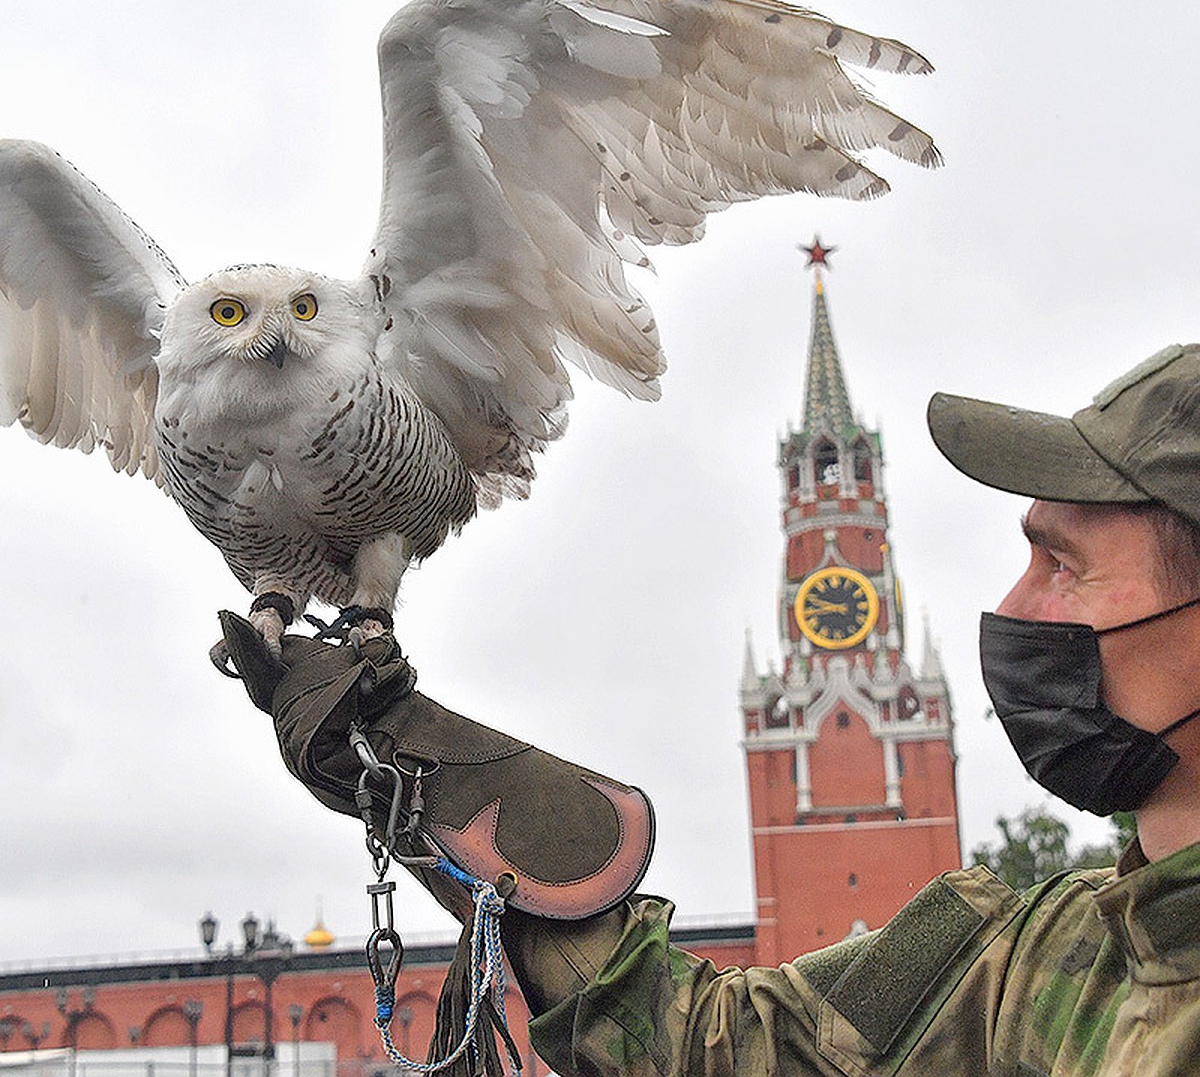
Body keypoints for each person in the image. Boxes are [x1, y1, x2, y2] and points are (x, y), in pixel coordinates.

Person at [219, 342, 1200, 1076]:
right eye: (1026, 557)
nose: (1017, 610)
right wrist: (420, 770)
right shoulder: (1044, 954)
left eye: (1064, 567)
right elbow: (717, 1049)